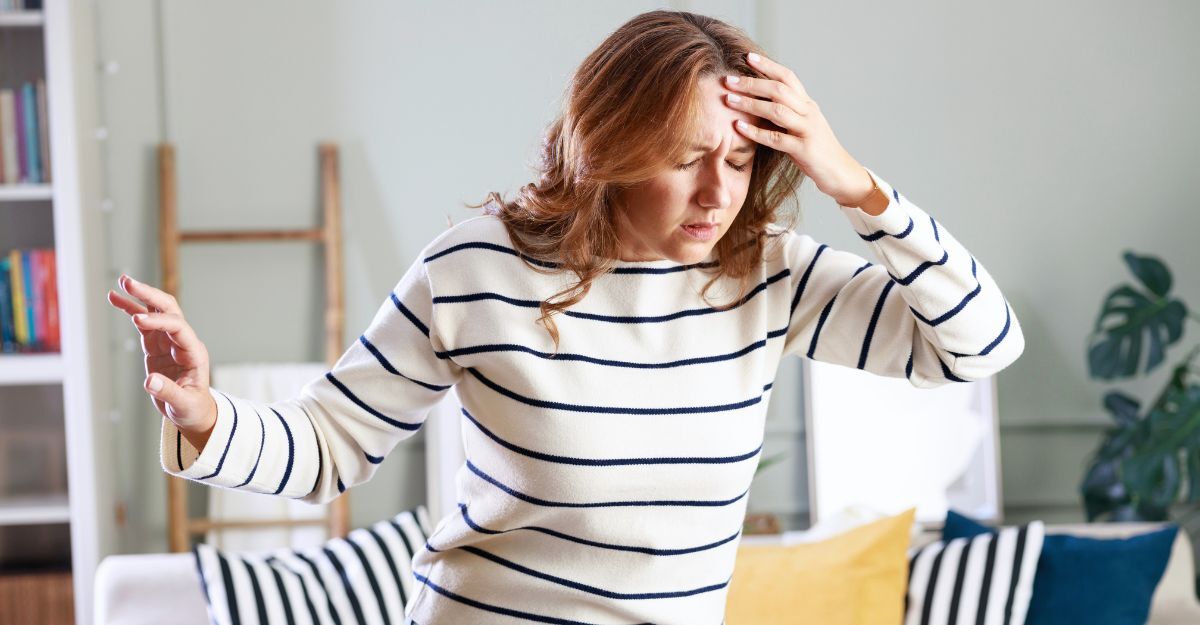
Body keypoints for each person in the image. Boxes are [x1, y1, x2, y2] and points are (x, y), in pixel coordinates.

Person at [107, 9, 1024, 625]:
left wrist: (855, 184)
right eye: (686, 156)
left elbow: (979, 345)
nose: (717, 192)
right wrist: (205, 415)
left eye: (743, 163)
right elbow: (328, 446)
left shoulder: (768, 275)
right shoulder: (477, 267)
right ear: (614, 146)